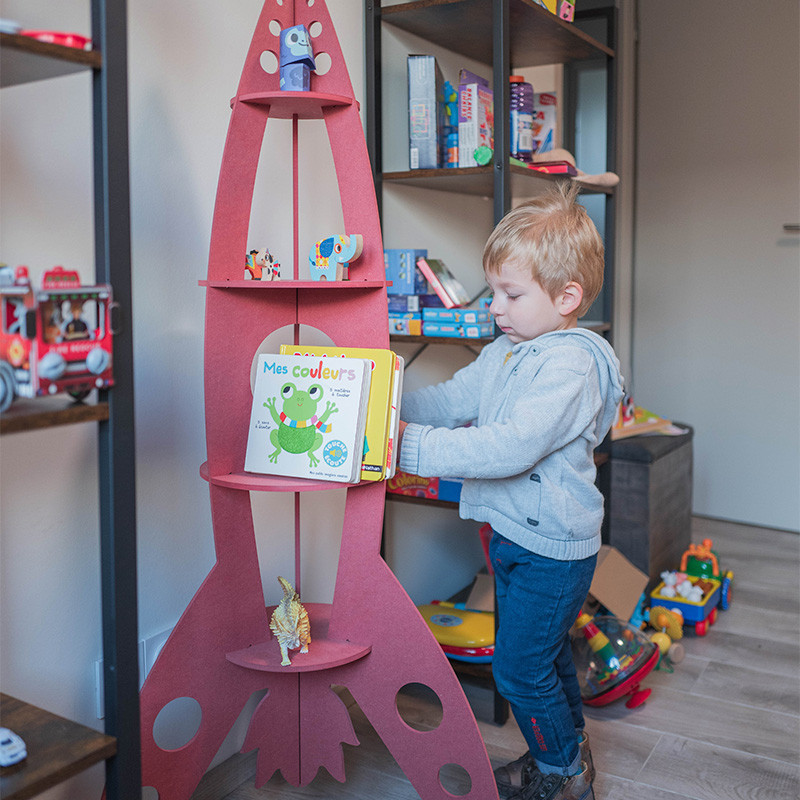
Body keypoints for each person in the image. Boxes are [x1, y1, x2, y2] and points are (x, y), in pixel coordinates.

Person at [397, 183, 624, 800]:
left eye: (510, 294)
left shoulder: (568, 366)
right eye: (493, 290)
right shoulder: (508, 348)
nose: (494, 307)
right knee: (546, 660)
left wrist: (406, 447)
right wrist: (384, 411)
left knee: (518, 668)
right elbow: (451, 399)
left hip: (554, 549)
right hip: (515, 539)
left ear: (566, 296)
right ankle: (565, 755)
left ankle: (561, 775)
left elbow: (508, 447)